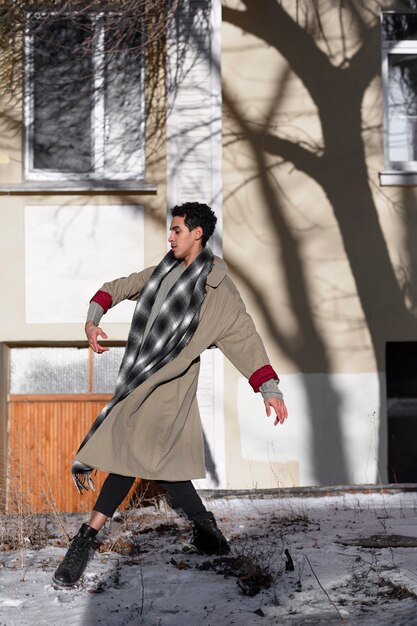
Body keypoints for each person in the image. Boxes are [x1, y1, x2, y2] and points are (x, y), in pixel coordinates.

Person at [53, 202, 288, 588]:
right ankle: (206, 531)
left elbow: (245, 339)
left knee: (148, 465)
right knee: (144, 463)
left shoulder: (219, 292)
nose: (170, 236)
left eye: (177, 230)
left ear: (198, 234)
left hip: (171, 391)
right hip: (138, 380)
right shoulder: (162, 272)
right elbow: (117, 287)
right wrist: (92, 320)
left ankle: (86, 539)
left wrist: (269, 388)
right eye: (171, 229)